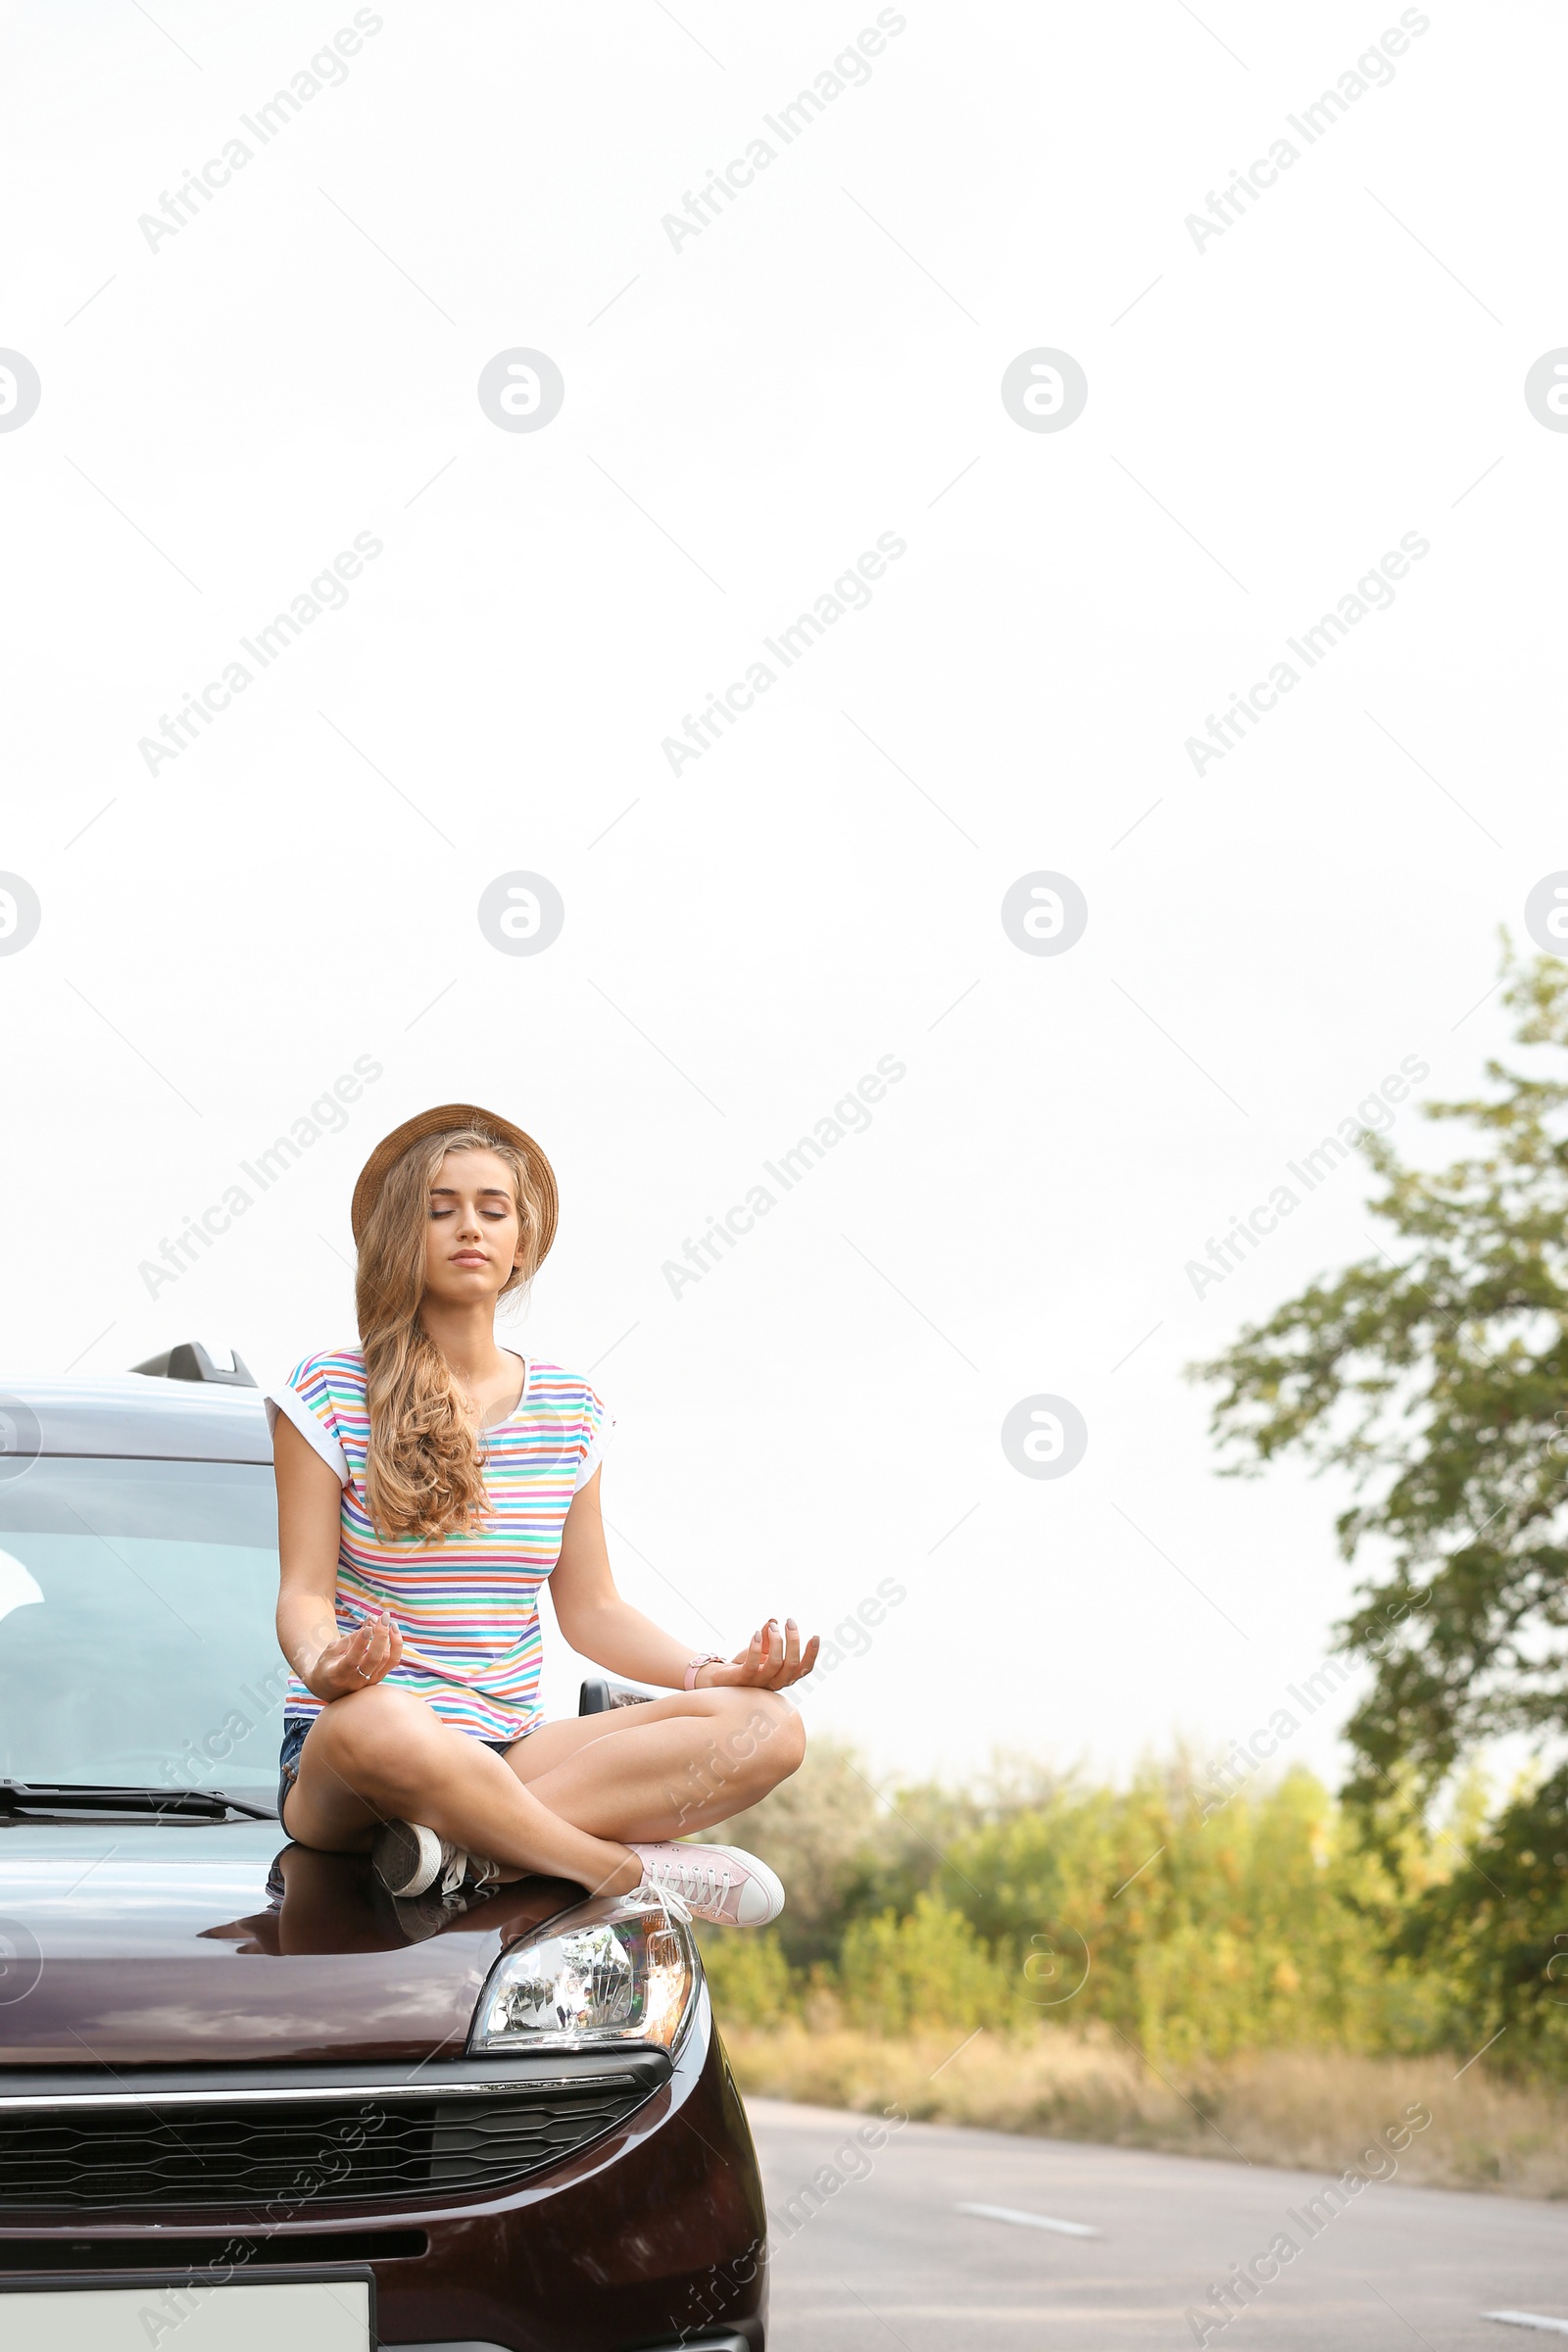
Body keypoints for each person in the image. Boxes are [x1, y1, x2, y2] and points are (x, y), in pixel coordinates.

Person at [268, 1102, 816, 1928]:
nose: (469, 1228)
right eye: (439, 1208)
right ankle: (622, 1874)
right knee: (383, 1719)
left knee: (769, 1728)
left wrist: (714, 1675)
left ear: (522, 1245)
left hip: (511, 1754)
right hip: (359, 1757)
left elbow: (592, 1610)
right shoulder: (326, 1391)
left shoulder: (570, 1407)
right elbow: (303, 1594)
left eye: (493, 1210)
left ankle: (469, 1850)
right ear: (399, 1237)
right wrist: (324, 1663)